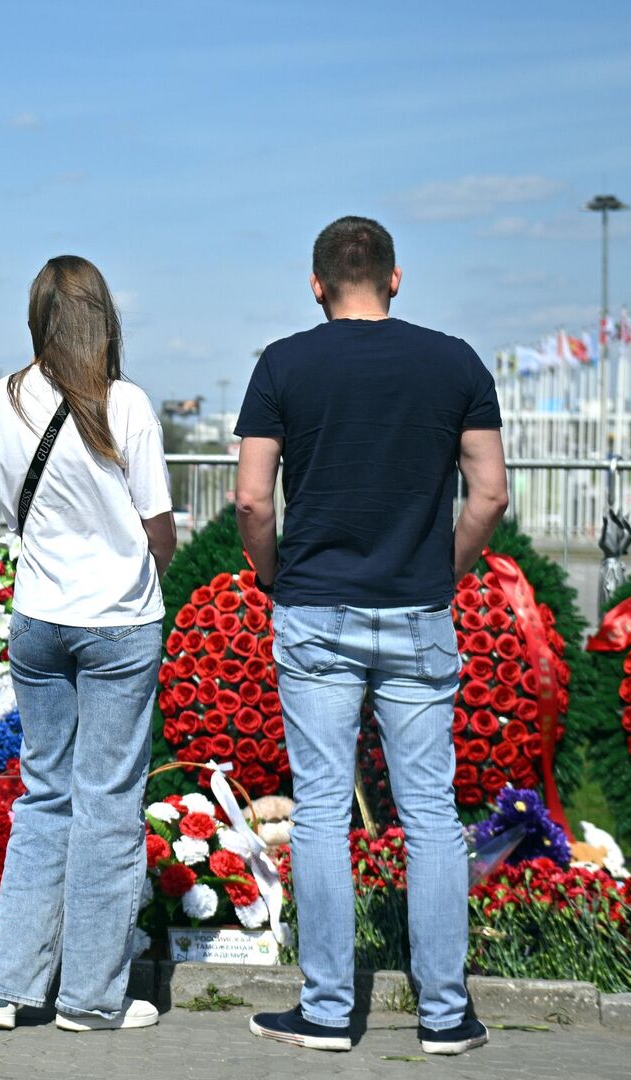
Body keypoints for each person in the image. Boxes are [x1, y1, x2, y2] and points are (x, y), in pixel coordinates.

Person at [233, 216, 507, 1056]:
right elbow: (489, 495)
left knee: (320, 812)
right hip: (417, 613)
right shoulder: (456, 361)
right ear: (396, 278)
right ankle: (445, 1015)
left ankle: (324, 1012)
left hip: (314, 609)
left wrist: (276, 576)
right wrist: (443, 573)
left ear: (316, 285)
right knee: (428, 812)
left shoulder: (283, 363)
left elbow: (250, 499)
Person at [0, 255, 176, 1033]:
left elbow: (16, 507)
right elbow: (158, 526)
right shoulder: (125, 404)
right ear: (104, 319)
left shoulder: (7, 396)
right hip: (117, 624)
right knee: (108, 808)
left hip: (38, 619)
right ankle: (91, 998)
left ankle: (5, 988)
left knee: (44, 797)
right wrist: (136, 567)